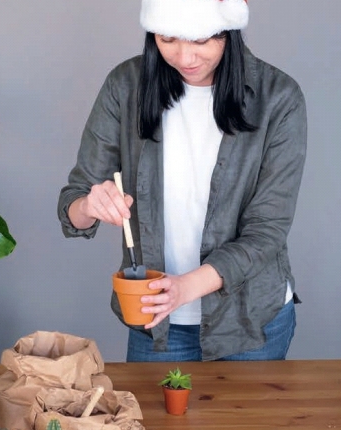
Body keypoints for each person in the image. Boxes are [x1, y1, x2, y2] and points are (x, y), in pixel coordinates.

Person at [58, 0, 307, 362]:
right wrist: (89, 206)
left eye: (201, 40)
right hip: (158, 320)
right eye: (168, 39)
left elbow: (267, 230)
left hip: (250, 318)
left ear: (228, 31)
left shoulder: (278, 97)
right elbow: (75, 201)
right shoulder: (125, 86)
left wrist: (183, 288)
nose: (184, 57)